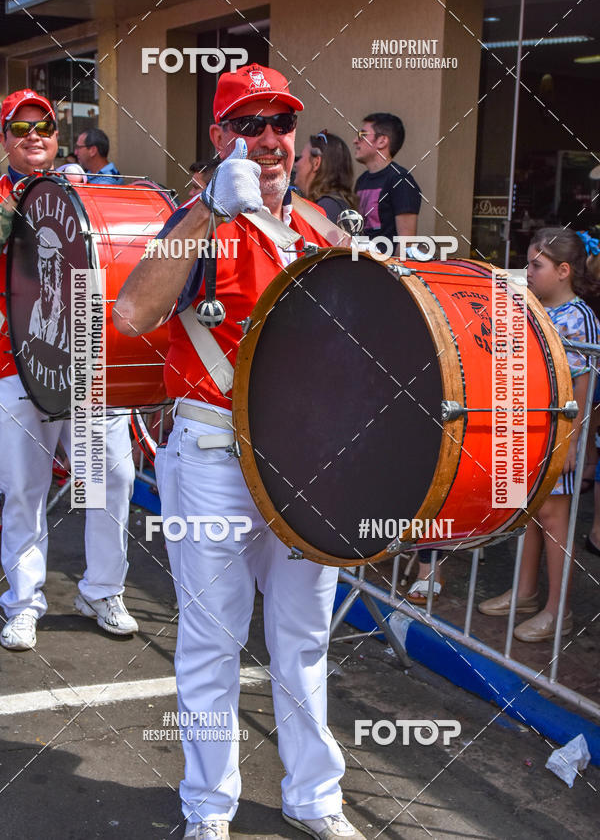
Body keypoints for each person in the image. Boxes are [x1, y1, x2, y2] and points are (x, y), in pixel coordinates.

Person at [114, 63, 365, 840]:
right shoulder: (199, 218)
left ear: (300, 140)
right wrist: (205, 214)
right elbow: (130, 313)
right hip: (215, 456)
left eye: (280, 123)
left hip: (307, 463)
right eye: (247, 124)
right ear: (220, 137)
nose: (267, 140)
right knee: (213, 639)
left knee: (302, 639)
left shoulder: (325, 230)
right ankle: (208, 807)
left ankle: (315, 796)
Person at [0, 88, 137, 651]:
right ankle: (24, 601)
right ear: (5, 139)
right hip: (16, 365)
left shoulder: (82, 192)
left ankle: (101, 589)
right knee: (23, 490)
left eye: (45, 127)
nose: (35, 136)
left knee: (108, 479)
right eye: (21, 128)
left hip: (84, 364)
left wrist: (81, 196)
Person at [479, 228, 600, 641]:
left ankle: (557, 609)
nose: (527, 271)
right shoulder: (533, 306)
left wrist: (571, 440)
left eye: (537, 265)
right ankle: (526, 592)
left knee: (553, 517)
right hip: (531, 429)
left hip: (558, 433)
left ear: (564, 271)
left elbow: (584, 384)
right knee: (530, 512)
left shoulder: (579, 318)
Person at [353, 112, 421, 243]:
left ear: (382, 141)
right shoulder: (362, 180)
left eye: (363, 135)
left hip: (384, 262)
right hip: (360, 260)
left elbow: (406, 243)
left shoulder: (401, 180)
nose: (355, 140)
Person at [293, 130, 358, 222]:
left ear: (316, 163)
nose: (296, 164)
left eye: (299, 158)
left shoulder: (326, 208)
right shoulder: (334, 205)